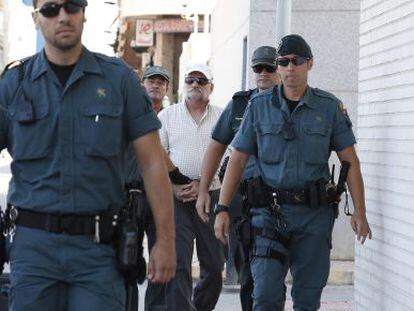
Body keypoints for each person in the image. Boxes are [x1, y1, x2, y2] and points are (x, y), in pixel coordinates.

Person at [0, 1, 176, 310]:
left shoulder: (118, 80)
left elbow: (151, 162)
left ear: (84, 13)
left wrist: (166, 240)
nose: (63, 16)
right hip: (33, 249)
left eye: (71, 6)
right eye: (51, 9)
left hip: (98, 251)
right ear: (35, 18)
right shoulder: (14, 84)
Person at [214, 34, 372, 310]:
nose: (289, 68)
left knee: (307, 299)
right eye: (283, 62)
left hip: (314, 216)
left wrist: (360, 211)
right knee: (264, 295)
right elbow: (237, 159)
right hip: (268, 214)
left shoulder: (328, 107)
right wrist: (223, 208)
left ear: (309, 64)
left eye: (296, 61)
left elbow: (351, 161)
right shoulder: (259, 106)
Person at [196, 45, 279, 311]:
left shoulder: (290, 102)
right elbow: (216, 147)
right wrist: (204, 191)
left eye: (269, 67)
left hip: (282, 201)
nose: (263, 73)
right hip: (245, 202)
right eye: (258, 68)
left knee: (273, 279)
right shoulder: (241, 103)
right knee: (249, 275)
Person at [158, 64, 224, 311]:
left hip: (212, 197)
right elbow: (156, 156)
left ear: (211, 87)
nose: (195, 84)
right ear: (183, 84)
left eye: (201, 80)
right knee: (179, 264)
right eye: (190, 80)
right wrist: (174, 187)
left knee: (215, 267)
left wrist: (205, 186)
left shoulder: (222, 116)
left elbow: (230, 157)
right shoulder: (167, 116)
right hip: (178, 197)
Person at [125, 65, 171, 311]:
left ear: (166, 88)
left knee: (160, 259)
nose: (155, 85)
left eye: (160, 82)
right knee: (128, 259)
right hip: (131, 197)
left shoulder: (172, 117)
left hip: (160, 196)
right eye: (150, 81)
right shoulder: (128, 112)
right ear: (143, 85)